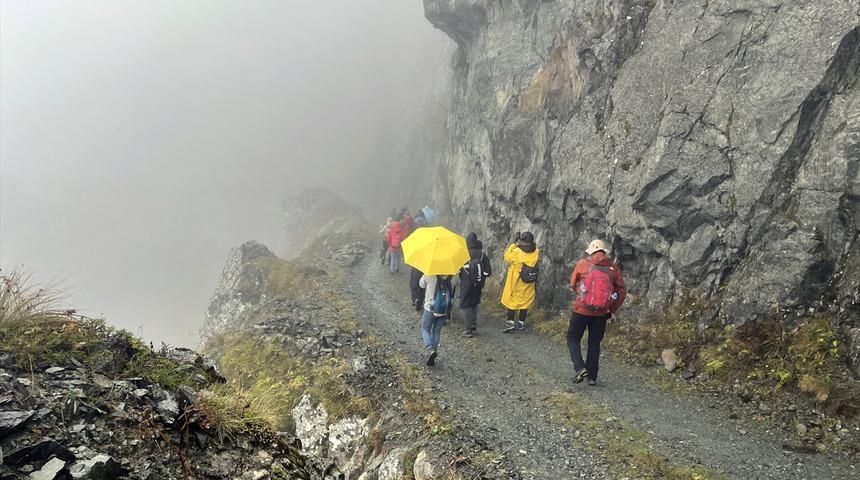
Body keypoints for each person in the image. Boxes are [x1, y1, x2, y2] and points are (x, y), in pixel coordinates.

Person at [567, 239, 626, 386]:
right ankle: (592, 377)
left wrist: (582, 296)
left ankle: (580, 368)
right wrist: (610, 309)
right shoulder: (613, 268)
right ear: (604, 252)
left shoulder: (582, 264)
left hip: (581, 310)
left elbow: (573, 283)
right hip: (601, 313)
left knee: (573, 338)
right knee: (594, 343)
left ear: (591, 252)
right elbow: (621, 292)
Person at [501, 231, 540, 333]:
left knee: (512, 302)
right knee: (525, 301)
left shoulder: (517, 252)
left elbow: (506, 257)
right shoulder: (536, 251)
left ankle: (510, 323)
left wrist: (514, 244)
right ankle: (521, 323)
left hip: (516, 281)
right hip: (529, 281)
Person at [418, 273, 456, 366]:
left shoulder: (429, 274)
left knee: (425, 329)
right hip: (444, 310)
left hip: (430, 309)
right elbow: (456, 286)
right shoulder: (453, 276)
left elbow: (421, 284)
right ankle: (433, 353)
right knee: (436, 331)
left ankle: (430, 349)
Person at [458, 232, 492, 337]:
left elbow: (458, 270)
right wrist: (481, 278)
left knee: (465, 304)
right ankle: (473, 324)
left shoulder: (463, 254)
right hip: (478, 283)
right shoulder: (482, 254)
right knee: (474, 303)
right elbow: (488, 272)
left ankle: (468, 330)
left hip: (466, 284)